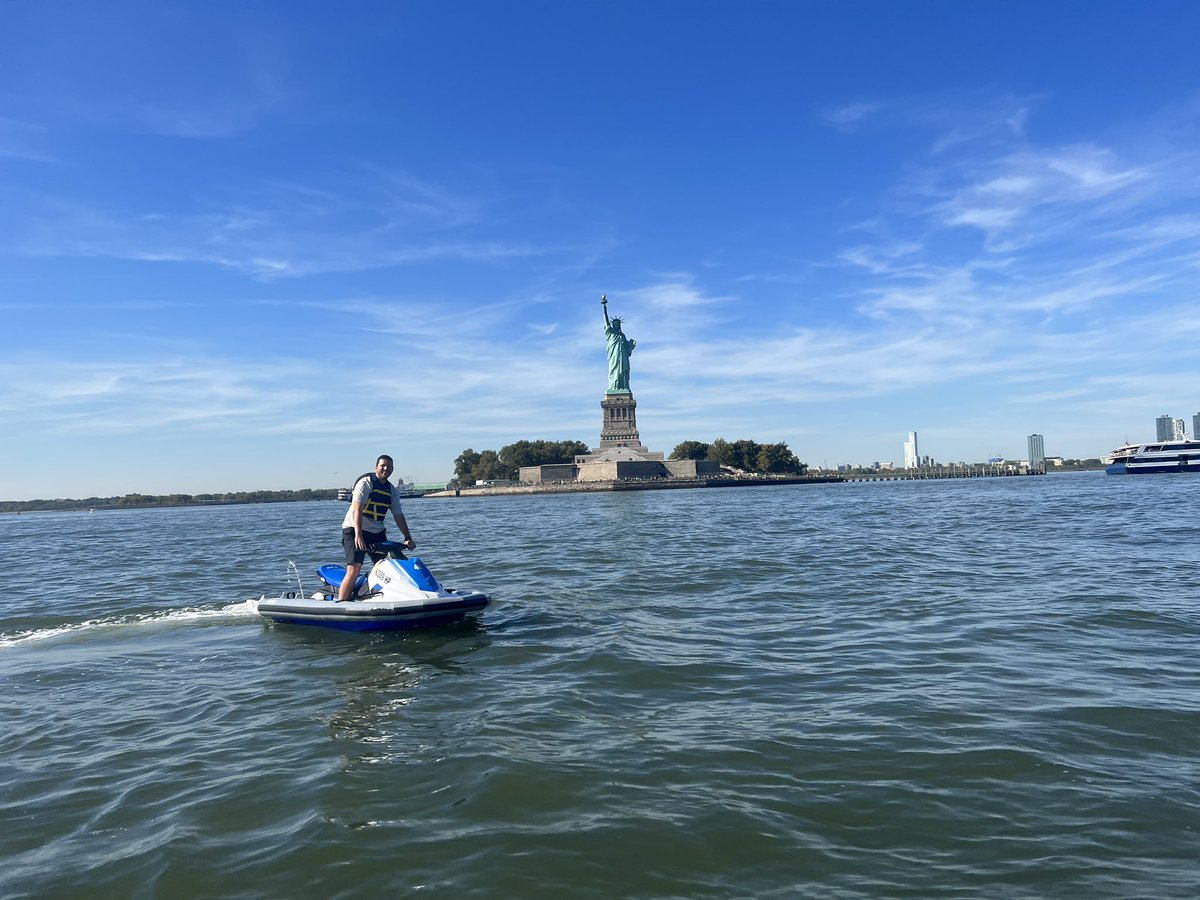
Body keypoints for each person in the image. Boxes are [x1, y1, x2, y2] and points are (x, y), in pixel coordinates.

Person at [338, 455, 415, 601]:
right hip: (354, 530)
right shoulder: (366, 483)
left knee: (388, 566)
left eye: (389, 467)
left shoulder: (392, 490)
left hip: (377, 532)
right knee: (354, 568)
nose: (386, 469)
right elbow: (357, 510)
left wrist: (408, 537)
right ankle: (341, 603)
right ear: (376, 467)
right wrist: (358, 535)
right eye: (383, 465)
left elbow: (398, 515)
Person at [602, 294, 636, 393]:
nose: (616, 325)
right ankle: (614, 387)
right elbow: (606, 321)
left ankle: (623, 387)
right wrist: (604, 307)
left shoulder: (623, 336)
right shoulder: (610, 333)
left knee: (623, 372)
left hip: (623, 357)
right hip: (614, 357)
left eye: (618, 324)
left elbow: (628, 351)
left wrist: (630, 346)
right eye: (615, 323)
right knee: (614, 371)